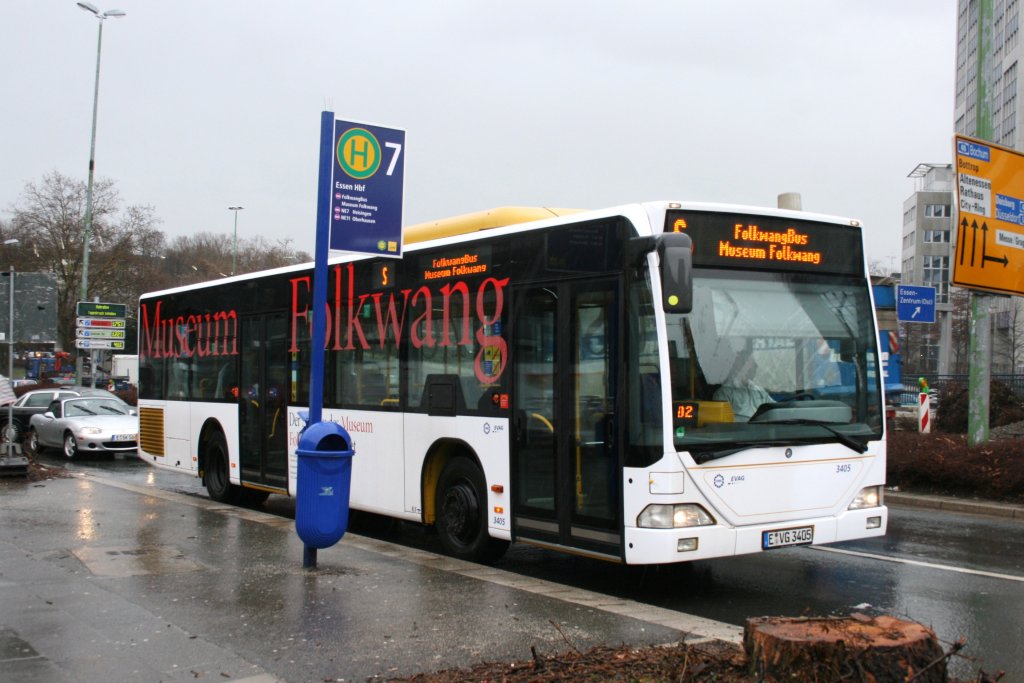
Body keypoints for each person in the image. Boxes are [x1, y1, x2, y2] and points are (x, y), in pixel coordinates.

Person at [713, 352, 773, 421]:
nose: (752, 368)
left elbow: (775, 408)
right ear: (737, 366)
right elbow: (723, 424)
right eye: (746, 363)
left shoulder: (759, 390)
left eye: (754, 365)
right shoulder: (724, 393)